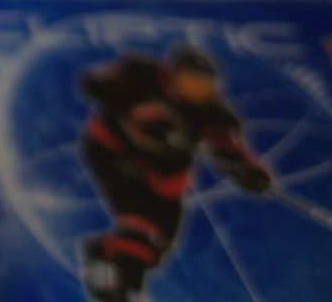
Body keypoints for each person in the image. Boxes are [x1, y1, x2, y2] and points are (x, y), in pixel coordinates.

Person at [78, 47, 271, 302]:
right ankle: (127, 288)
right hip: (116, 154)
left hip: (165, 175)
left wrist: (247, 171)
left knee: (162, 237)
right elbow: (94, 82)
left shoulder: (213, 112)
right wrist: (125, 103)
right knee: (141, 221)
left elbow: (228, 145)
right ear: (172, 73)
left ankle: (104, 256)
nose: (195, 91)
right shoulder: (141, 74)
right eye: (190, 82)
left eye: (203, 86)